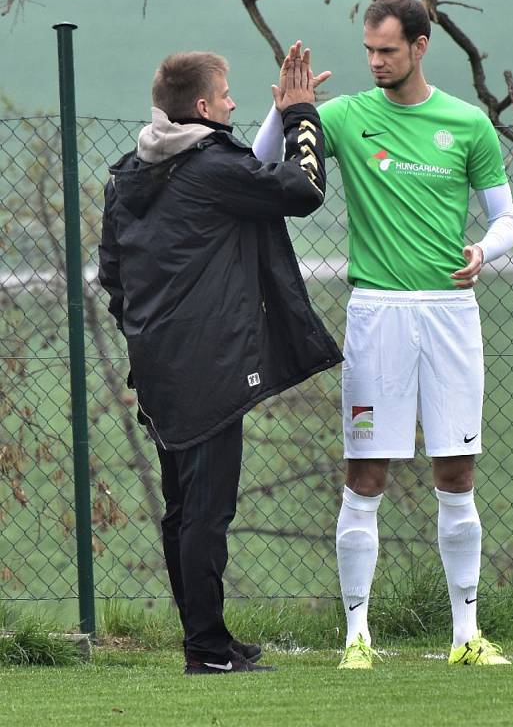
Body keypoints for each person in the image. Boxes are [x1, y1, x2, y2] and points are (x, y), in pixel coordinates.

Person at [253, 0, 513, 667]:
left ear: (420, 46)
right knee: (365, 473)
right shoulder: (345, 117)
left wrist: (485, 250)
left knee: (456, 473)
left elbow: (505, 220)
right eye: (369, 49)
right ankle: (356, 638)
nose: (374, 61)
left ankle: (465, 636)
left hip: (450, 315)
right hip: (376, 314)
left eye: (387, 51)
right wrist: (286, 106)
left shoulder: (465, 123)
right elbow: (261, 163)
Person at [98, 49, 342, 675]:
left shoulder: (127, 174)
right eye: (228, 95)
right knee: (206, 511)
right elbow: (302, 190)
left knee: (185, 508)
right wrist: (300, 116)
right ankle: (205, 650)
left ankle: (208, 636)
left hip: (159, 367)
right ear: (203, 109)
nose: (234, 104)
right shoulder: (209, 168)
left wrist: (150, 336)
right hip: (208, 367)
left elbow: (112, 277)